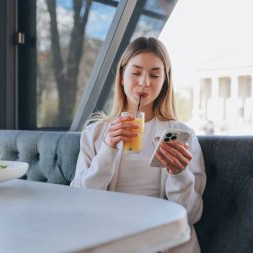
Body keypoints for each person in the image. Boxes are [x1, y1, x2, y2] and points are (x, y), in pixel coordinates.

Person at [70, 36, 206, 253]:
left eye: (155, 74)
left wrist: (179, 173)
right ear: (122, 77)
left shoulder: (182, 136)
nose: (144, 82)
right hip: (111, 240)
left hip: (163, 243)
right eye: (135, 73)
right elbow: (79, 202)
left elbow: (191, 215)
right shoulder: (94, 134)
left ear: (165, 82)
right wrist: (108, 149)